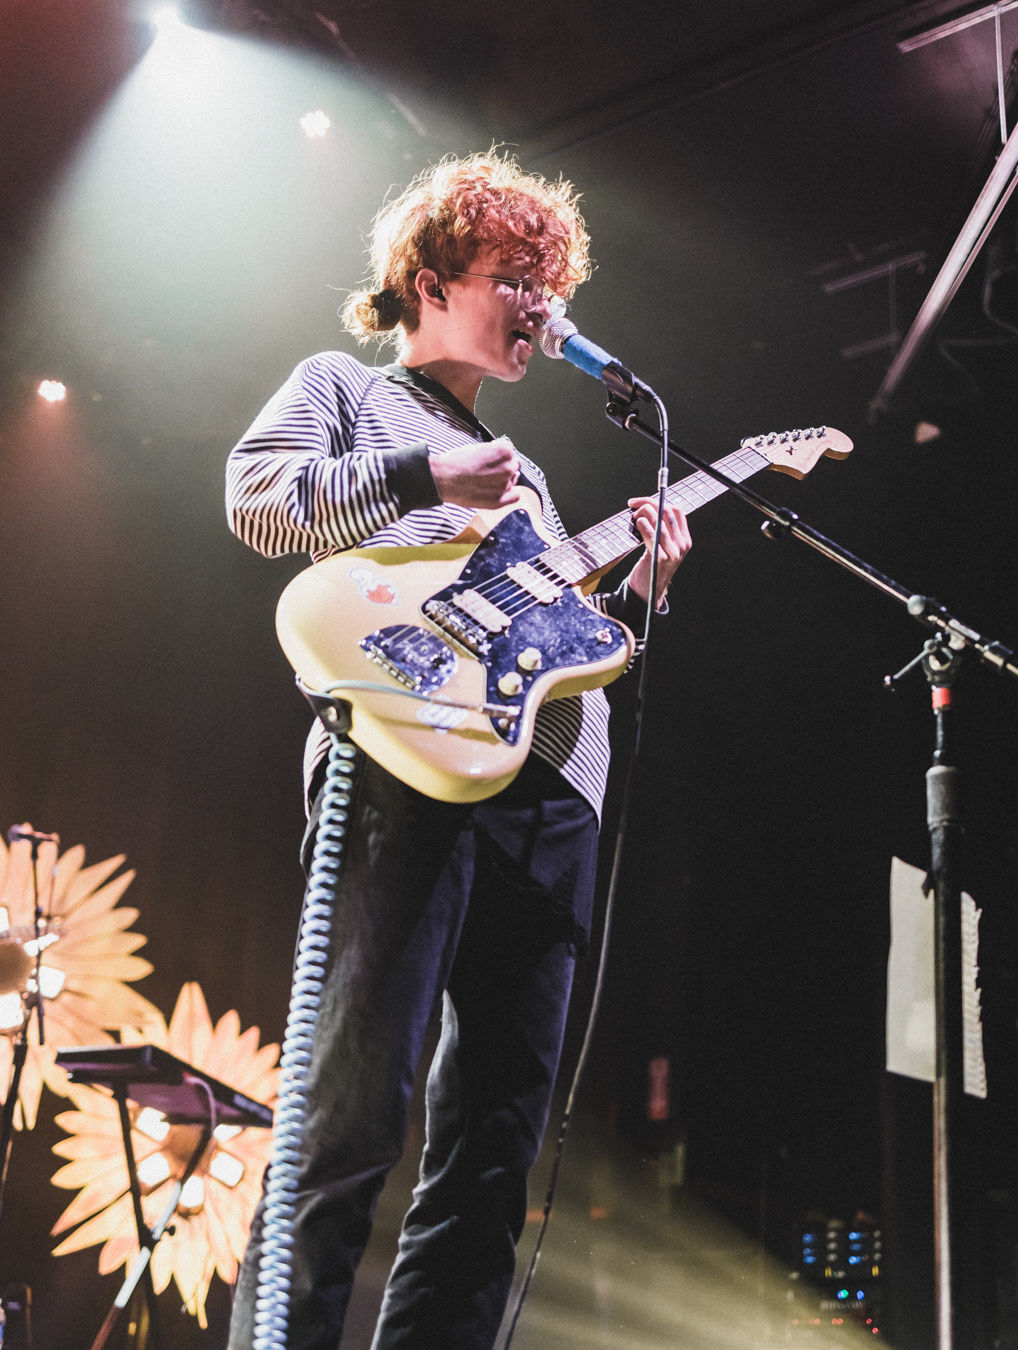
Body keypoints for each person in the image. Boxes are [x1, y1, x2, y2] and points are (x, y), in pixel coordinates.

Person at [225, 151, 691, 1350]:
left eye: (552, 283)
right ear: (429, 281)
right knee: (349, 1117)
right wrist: (423, 470)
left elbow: (567, 654)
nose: (542, 304)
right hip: (401, 765)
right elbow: (257, 496)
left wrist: (637, 585)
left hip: (548, 800)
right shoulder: (346, 386)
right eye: (515, 276)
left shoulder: (530, 480)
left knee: (493, 1158)